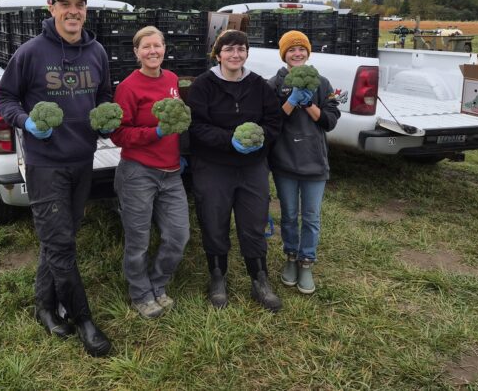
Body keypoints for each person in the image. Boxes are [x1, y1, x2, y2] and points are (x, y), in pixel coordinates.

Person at [0, 0, 113, 357]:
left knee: (59, 237)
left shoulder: (97, 52)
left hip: (82, 159)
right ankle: (84, 320)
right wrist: (25, 121)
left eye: (79, 4)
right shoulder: (31, 52)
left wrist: (107, 119)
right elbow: (4, 96)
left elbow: (105, 94)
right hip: (46, 164)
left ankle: (43, 306)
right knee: (61, 244)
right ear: (52, 8)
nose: (73, 10)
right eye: (66, 4)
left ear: (85, 11)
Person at [187, 29, 284, 312]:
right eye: (229, 49)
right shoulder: (204, 85)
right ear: (218, 54)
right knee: (214, 220)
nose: (235, 55)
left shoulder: (258, 85)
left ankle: (259, 279)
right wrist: (230, 140)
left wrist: (258, 139)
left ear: (246, 54)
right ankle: (217, 276)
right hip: (213, 166)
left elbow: (274, 121)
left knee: (253, 223)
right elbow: (196, 127)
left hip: (252, 166)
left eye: (240, 49)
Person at [109, 26, 190, 319]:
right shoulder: (128, 87)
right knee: (138, 240)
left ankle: (158, 283)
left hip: (171, 173)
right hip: (138, 172)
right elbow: (119, 134)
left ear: (164, 48)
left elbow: (178, 116)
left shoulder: (170, 79)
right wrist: (155, 132)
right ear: (136, 52)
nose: (152, 51)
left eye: (157, 45)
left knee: (178, 235)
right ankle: (140, 293)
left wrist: (180, 148)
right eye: (146, 47)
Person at [267, 31, 340, 294]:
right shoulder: (274, 83)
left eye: (301, 49)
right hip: (285, 161)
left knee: (310, 217)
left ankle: (306, 262)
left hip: (314, 161)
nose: (297, 54)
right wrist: (290, 101)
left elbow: (330, 121)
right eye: (291, 50)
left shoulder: (321, 82)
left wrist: (309, 104)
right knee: (288, 216)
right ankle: (290, 257)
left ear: (308, 52)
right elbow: (271, 123)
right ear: (283, 54)